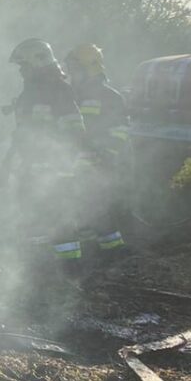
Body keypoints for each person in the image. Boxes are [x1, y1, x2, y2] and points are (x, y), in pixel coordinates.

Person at [5, 38, 87, 266]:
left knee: (58, 217)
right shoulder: (31, 91)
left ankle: (70, 270)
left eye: (24, 66)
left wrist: (58, 164)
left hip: (54, 170)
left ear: (37, 63)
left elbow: (75, 131)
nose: (21, 71)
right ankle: (39, 270)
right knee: (32, 219)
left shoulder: (58, 89)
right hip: (32, 168)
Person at [64, 43, 129, 255]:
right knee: (79, 211)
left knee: (100, 212)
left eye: (75, 70)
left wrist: (105, 156)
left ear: (88, 69)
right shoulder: (71, 96)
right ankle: (93, 256)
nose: (71, 74)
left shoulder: (110, 97)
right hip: (75, 166)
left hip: (100, 165)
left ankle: (113, 257)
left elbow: (120, 131)